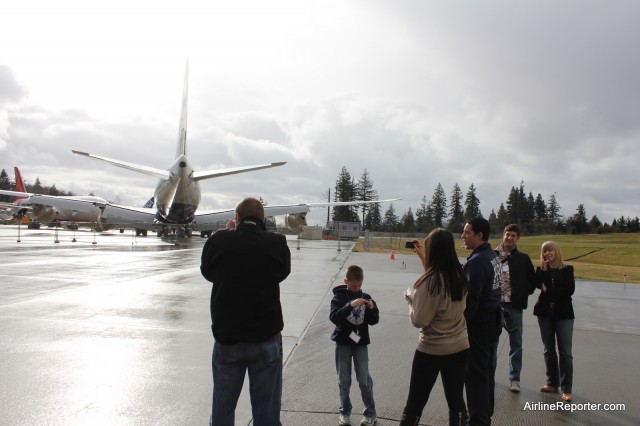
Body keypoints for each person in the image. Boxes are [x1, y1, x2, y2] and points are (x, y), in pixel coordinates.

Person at [200, 197, 291, 426]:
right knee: (267, 413)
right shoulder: (277, 243)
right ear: (263, 219)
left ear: (237, 218)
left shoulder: (219, 241)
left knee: (222, 409)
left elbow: (208, 272)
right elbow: (281, 274)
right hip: (265, 340)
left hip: (228, 339)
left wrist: (227, 234)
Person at [399, 228, 469, 426]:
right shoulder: (459, 276)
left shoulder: (429, 282)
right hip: (459, 346)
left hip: (431, 349)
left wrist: (410, 301)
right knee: (456, 401)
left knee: (415, 403)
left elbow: (419, 320)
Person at [461, 217, 502, 426]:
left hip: (478, 328)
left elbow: (470, 302)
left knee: (476, 377)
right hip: (491, 324)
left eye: (467, 232)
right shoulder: (492, 257)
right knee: (486, 374)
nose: (463, 236)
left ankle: (477, 419)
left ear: (479, 235)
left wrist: (459, 327)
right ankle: (485, 413)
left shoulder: (477, 262)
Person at [330, 264, 379, 426]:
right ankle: (344, 412)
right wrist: (350, 305)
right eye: (353, 286)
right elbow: (334, 317)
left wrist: (372, 309)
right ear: (346, 282)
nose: (357, 289)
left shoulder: (366, 296)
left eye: (359, 285)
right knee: (344, 380)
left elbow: (374, 320)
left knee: (364, 380)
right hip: (343, 344)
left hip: (360, 344)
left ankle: (370, 413)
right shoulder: (338, 298)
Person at [495, 224, 536, 393]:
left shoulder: (523, 259)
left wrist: (522, 294)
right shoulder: (492, 255)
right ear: (503, 235)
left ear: (518, 238)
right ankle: (488, 375)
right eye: (507, 234)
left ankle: (514, 379)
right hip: (495, 306)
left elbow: (532, 280)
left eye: (513, 235)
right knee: (491, 343)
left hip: (514, 307)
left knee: (516, 344)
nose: (509, 237)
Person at [533, 241, 575, 402]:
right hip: (545, 314)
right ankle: (552, 383)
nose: (547, 254)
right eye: (544, 252)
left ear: (556, 251)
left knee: (565, 352)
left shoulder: (567, 270)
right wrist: (543, 269)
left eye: (550, 251)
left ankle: (567, 389)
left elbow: (569, 290)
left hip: (563, 314)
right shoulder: (541, 271)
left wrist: (548, 291)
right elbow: (536, 284)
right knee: (548, 349)